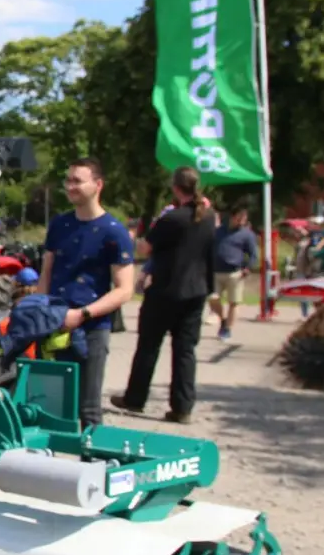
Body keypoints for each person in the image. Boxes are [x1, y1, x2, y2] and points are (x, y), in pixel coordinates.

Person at [36, 157, 136, 429]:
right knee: (49, 408)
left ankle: (95, 468)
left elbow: (125, 289)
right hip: (54, 325)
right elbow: (47, 271)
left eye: (77, 181)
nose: (70, 186)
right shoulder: (59, 225)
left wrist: (82, 314)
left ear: (98, 185)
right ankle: (48, 469)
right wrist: (40, 310)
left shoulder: (114, 232)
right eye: (68, 180)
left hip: (91, 329)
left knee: (88, 409)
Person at [113, 167, 216, 424]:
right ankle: (182, 407)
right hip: (196, 290)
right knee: (185, 350)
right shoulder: (209, 217)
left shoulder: (172, 219)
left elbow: (147, 247)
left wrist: (133, 237)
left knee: (148, 345)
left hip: (166, 288)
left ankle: (135, 398)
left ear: (175, 188)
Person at [210, 203, 259, 340]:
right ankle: (223, 319)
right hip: (216, 271)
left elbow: (253, 254)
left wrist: (248, 267)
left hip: (235, 272)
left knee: (234, 302)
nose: (241, 221)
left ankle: (227, 329)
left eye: (244, 219)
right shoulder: (218, 231)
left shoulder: (247, 235)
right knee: (212, 298)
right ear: (232, 217)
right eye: (239, 218)